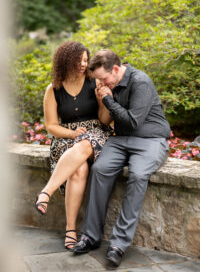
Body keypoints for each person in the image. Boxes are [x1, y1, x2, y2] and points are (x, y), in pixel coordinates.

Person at [73, 49, 171, 266]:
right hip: (121, 139)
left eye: (103, 78)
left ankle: (118, 244)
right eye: (97, 79)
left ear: (116, 69)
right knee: (99, 170)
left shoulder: (140, 82)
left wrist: (108, 99)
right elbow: (108, 121)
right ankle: (90, 236)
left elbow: (133, 122)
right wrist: (104, 98)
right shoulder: (109, 83)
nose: (101, 83)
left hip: (150, 140)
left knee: (137, 175)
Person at [35, 41, 111, 250]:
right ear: (65, 61)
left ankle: (46, 192)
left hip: (95, 134)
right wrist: (71, 133)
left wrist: (105, 101)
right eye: (79, 61)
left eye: (86, 60)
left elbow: (105, 121)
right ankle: (71, 231)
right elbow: (51, 125)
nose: (83, 65)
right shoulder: (54, 89)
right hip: (66, 138)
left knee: (86, 144)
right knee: (79, 169)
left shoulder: (94, 83)